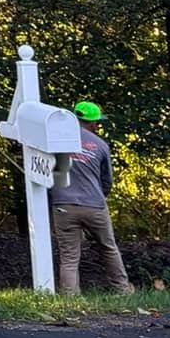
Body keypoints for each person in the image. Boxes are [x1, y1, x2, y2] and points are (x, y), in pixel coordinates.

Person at [50, 101, 133, 297]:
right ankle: (121, 290)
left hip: (63, 205)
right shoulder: (100, 145)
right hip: (94, 205)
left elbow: (47, 171)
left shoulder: (56, 141)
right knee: (108, 247)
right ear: (94, 123)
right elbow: (107, 181)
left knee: (69, 256)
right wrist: (98, 196)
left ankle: (70, 297)